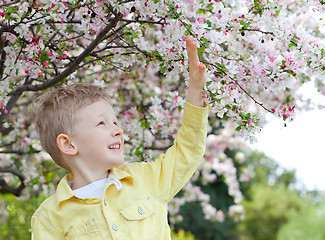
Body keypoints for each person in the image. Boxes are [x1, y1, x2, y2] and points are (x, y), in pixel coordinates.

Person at [31, 37, 210, 240]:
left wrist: (195, 91)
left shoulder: (145, 179)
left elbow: (187, 152)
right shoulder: (49, 218)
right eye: (102, 123)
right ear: (68, 144)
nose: (118, 130)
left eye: (115, 122)